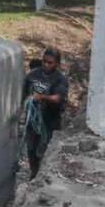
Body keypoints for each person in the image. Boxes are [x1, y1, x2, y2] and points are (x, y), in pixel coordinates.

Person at [22, 48, 69, 179]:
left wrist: (42, 97)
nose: (46, 65)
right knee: (31, 149)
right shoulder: (33, 75)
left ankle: (42, 176)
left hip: (50, 121)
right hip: (33, 120)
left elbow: (58, 98)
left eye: (50, 63)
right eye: (44, 61)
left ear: (57, 64)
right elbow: (23, 93)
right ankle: (34, 174)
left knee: (45, 150)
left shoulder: (60, 79)